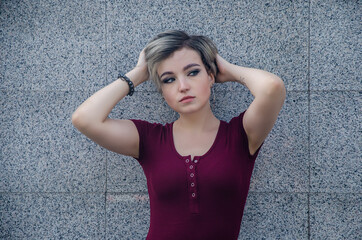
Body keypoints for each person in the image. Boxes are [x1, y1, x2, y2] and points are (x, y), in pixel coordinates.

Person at [72, 30, 286, 240]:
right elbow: (85, 119)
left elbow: (272, 88)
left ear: (211, 76)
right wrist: (138, 74)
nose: (183, 86)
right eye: (168, 80)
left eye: (193, 72)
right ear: (162, 91)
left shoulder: (240, 135)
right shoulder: (149, 139)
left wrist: (226, 69)